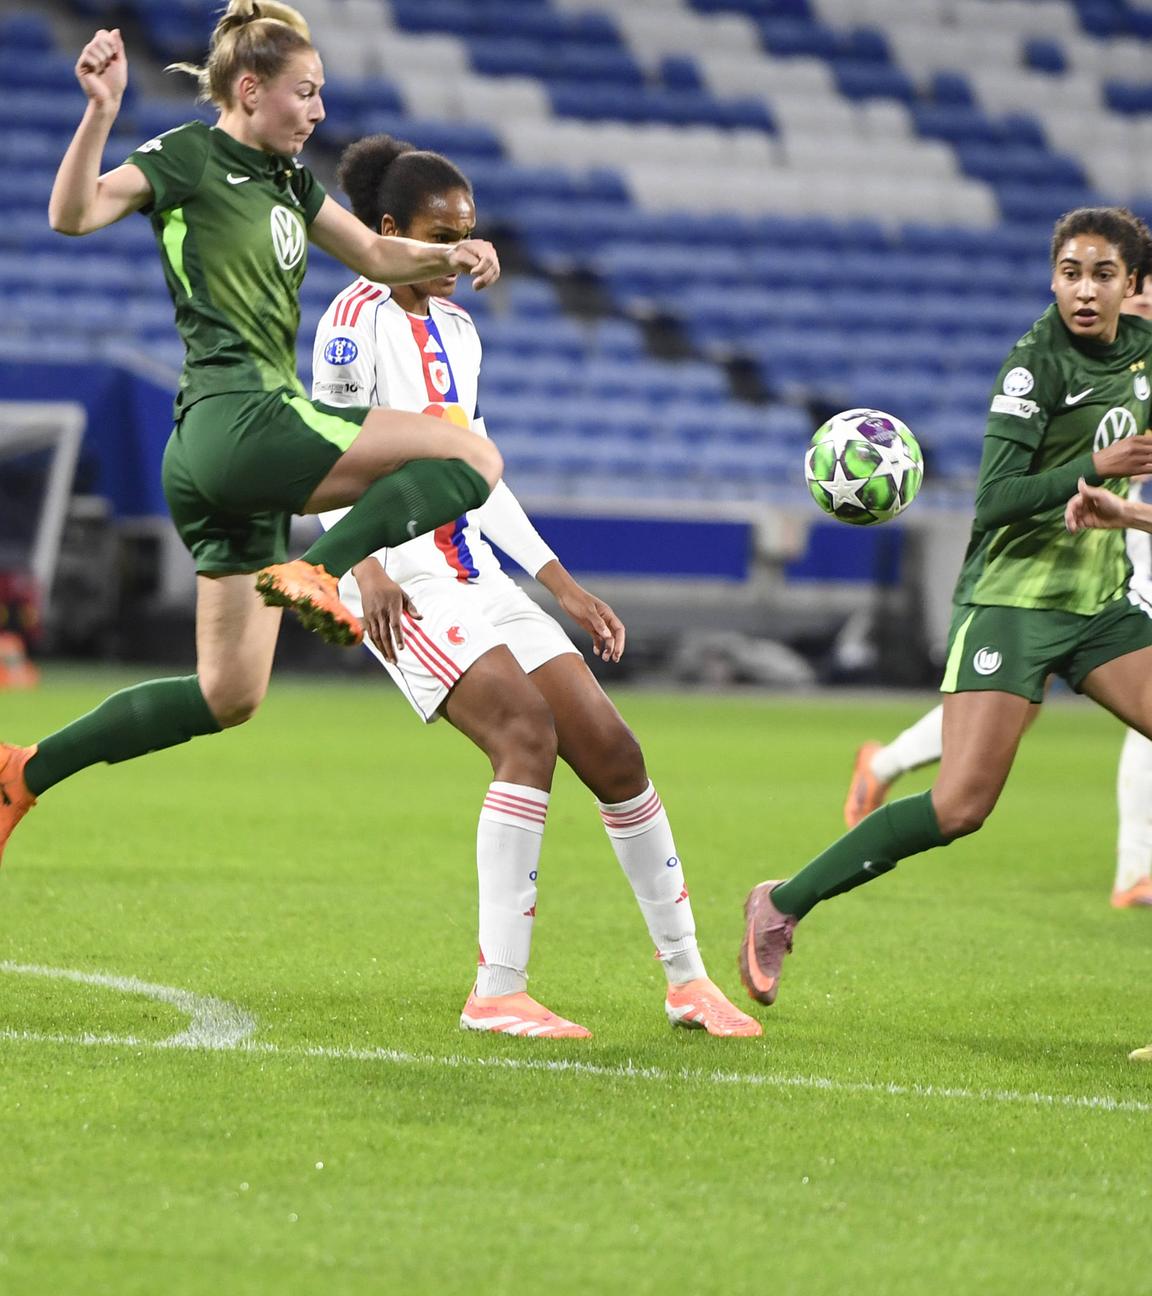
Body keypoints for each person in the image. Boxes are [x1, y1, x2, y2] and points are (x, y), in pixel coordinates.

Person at [0, 4, 507, 867]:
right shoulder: (188, 157)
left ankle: (23, 772)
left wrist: (449, 259)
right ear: (249, 89)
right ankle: (322, 568)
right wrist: (99, 113)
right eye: (304, 93)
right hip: (242, 419)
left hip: (214, 458)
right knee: (471, 454)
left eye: (321, 94)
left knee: (229, 693)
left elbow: (380, 258)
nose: (316, 111)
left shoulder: (291, 183)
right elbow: (73, 214)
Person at [310, 135, 761, 1038]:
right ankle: (497, 991)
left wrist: (563, 585)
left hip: (477, 571)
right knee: (526, 732)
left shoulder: (463, 331)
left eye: (472, 233)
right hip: (405, 580)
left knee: (614, 750)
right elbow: (325, 464)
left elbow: (481, 477)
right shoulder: (351, 323)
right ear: (392, 231)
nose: (465, 254)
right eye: (445, 236)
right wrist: (362, 573)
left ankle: (687, 981)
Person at [739, 207, 1152, 1011]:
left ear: (1133, 285)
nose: (1085, 291)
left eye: (1104, 275)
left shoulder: (1143, 356)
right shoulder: (1035, 368)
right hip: (1011, 607)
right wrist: (1091, 466)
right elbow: (995, 501)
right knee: (961, 806)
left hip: (1100, 606)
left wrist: (1122, 509)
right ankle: (782, 904)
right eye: (1070, 273)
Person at [844, 273, 1152, 911]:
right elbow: (1005, 489)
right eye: (1141, 297)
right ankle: (1137, 869)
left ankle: (884, 764)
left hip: (1116, 536)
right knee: (1014, 725)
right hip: (1095, 553)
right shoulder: (1070, 360)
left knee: (1034, 704)